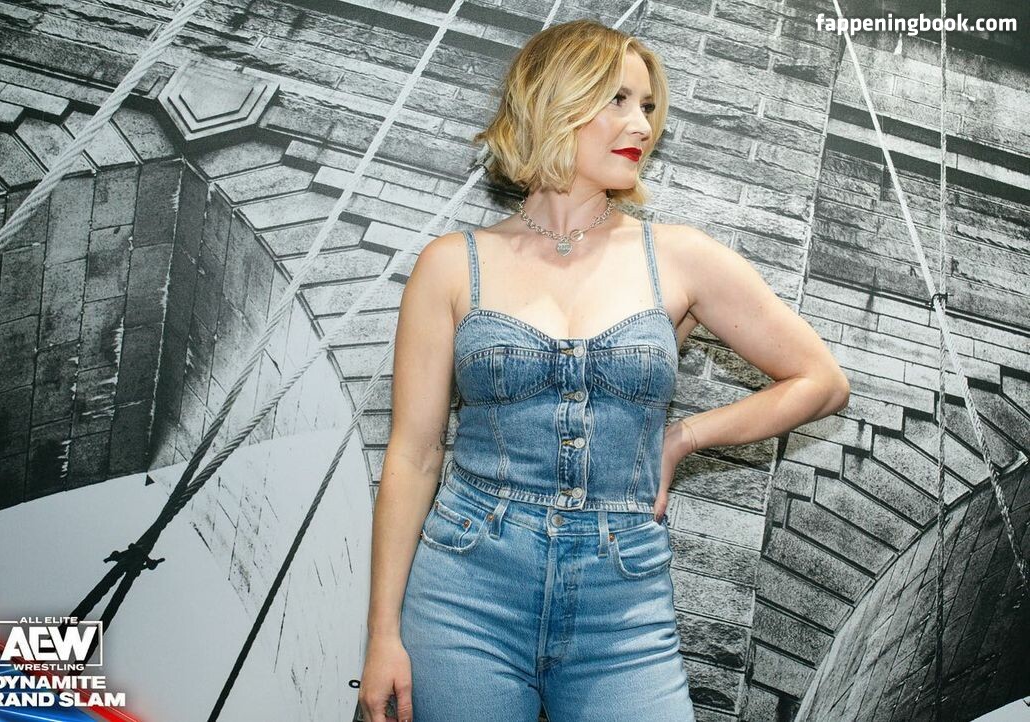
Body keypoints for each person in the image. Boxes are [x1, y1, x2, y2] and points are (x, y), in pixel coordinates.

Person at [358, 18, 850, 722]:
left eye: (647, 106)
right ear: (552, 101)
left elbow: (821, 380)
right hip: (465, 589)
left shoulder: (678, 257)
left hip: (622, 600)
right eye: (617, 99)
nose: (641, 125)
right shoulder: (452, 264)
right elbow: (413, 455)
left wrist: (683, 438)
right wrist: (383, 634)